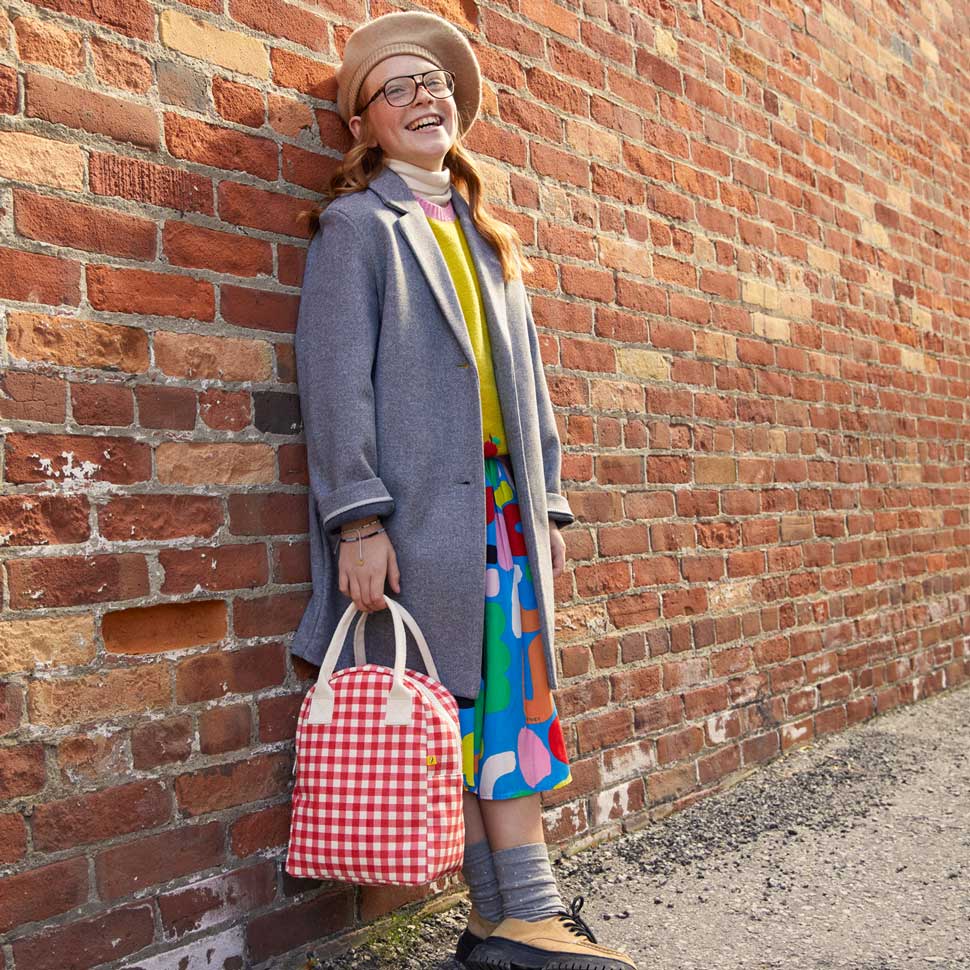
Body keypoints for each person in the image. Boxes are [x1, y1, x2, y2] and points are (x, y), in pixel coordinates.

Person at [291, 10, 637, 970]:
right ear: (363, 124)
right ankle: (529, 909)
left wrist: (548, 499)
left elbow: (528, 381)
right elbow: (332, 383)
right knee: (477, 703)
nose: (420, 99)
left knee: (495, 701)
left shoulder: (488, 235)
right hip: (419, 517)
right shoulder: (359, 228)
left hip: (500, 511)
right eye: (394, 88)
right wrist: (357, 521)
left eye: (432, 84)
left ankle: (499, 919)